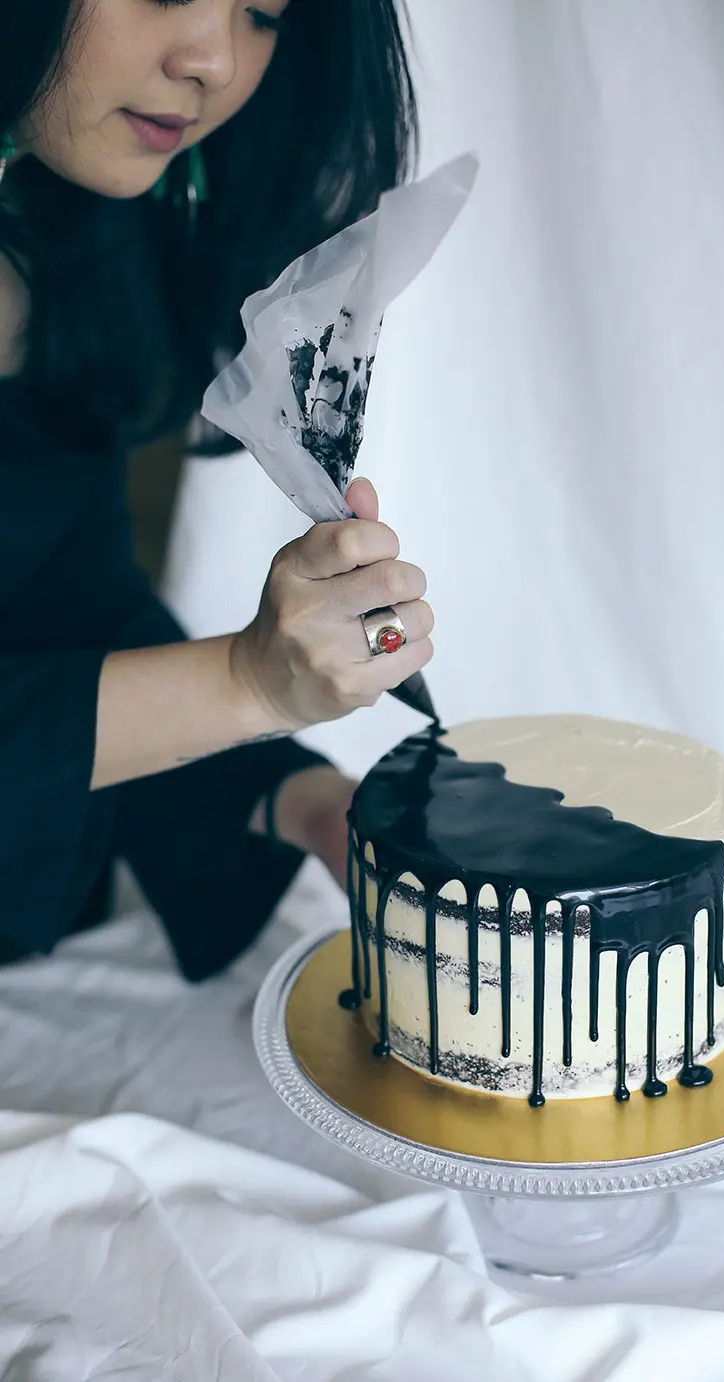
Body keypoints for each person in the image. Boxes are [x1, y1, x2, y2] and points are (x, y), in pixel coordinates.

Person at [0, 0, 435, 978]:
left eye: (264, 14)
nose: (215, 61)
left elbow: (64, 612)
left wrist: (303, 802)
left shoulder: (70, 233)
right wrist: (246, 683)